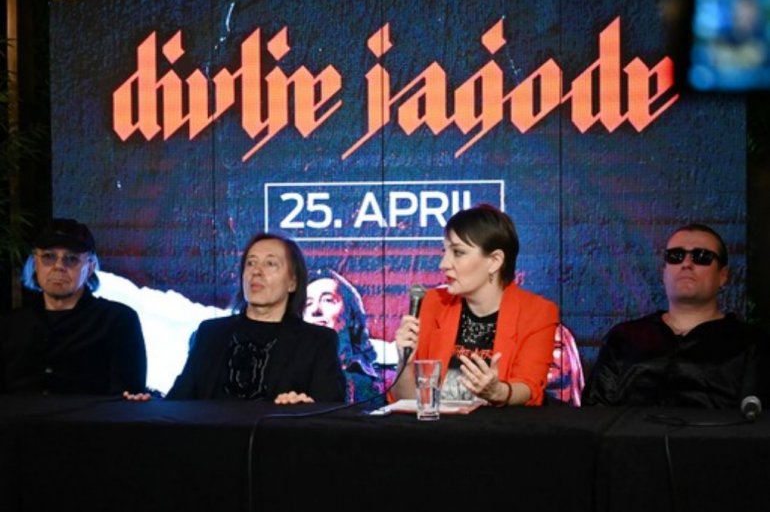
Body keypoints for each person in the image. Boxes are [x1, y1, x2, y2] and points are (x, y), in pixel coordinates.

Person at [582, 223, 770, 408]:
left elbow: (758, 419)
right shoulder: (624, 337)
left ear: (723, 275)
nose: (686, 264)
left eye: (701, 256)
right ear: (663, 272)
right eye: (675, 256)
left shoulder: (751, 344)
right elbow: (594, 414)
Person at [391, 204, 559, 406]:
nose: (443, 264)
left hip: (500, 424)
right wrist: (405, 363)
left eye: (458, 252)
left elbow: (529, 388)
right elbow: (409, 402)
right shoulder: (432, 303)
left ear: (495, 261)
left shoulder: (537, 312)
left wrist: (497, 392)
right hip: (439, 425)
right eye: (445, 251)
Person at [162, 232, 345, 404]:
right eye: (250, 263)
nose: (256, 271)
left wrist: (306, 409)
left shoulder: (317, 342)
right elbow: (177, 404)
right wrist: (148, 406)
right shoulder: (210, 334)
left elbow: (331, 413)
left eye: (270, 264)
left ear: (292, 282)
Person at [1, 218, 147, 394]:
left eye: (71, 259)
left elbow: (129, 394)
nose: (59, 266)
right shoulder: (10, 325)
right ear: (35, 263)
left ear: (90, 267)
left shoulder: (118, 321)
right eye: (49, 257)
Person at [304, 268, 383, 403]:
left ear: (350, 313)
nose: (315, 310)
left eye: (327, 300)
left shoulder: (382, 377)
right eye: (308, 303)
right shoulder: (291, 373)